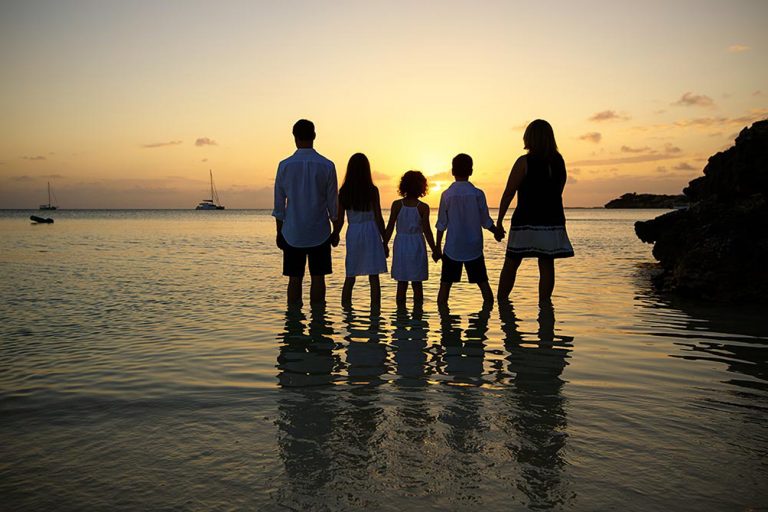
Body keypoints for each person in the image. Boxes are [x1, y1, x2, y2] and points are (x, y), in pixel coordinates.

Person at [495, 119, 574, 305]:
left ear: (529, 138)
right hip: (552, 219)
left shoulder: (524, 162)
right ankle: (545, 307)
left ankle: (501, 305)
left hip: (526, 219)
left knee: (512, 262)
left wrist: (499, 221)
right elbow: (558, 190)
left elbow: (509, 193)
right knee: (546, 263)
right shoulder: (559, 162)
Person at [272, 119, 338, 305]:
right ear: (314, 136)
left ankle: (293, 319)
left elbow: (279, 205)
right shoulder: (327, 165)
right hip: (320, 231)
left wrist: (279, 232)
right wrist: (336, 231)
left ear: (295, 137)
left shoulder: (284, 166)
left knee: (294, 279)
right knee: (318, 278)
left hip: (293, 231)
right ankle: (319, 318)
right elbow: (333, 204)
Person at [435, 154, 502, 306]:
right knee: (483, 284)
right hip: (474, 247)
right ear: (471, 171)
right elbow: (485, 221)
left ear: (452, 171)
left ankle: (444, 319)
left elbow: (442, 224)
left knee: (445, 286)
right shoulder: (478, 194)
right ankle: (488, 315)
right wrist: (496, 232)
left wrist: (437, 247)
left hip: (453, 247)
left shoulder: (446, 195)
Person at [331, 153, 388, 308]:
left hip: (354, 232)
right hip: (371, 231)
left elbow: (340, 220)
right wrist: (385, 240)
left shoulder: (344, 191)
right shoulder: (372, 190)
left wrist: (335, 235)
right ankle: (375, 314)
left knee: (350, 275)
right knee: (374, 276)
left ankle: (346, 312)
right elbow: (379, 217)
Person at [383, 171, 439, 306]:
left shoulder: (397, 205)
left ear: (404, 186)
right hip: (417, 245)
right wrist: (435, 250)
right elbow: (427, 231)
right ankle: (418, 315)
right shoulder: (423, 207)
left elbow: (389, 227)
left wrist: (384, 244)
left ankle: (400, 315)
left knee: (401, 282)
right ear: (422, 187)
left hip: (401, 244)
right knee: (417, 283)